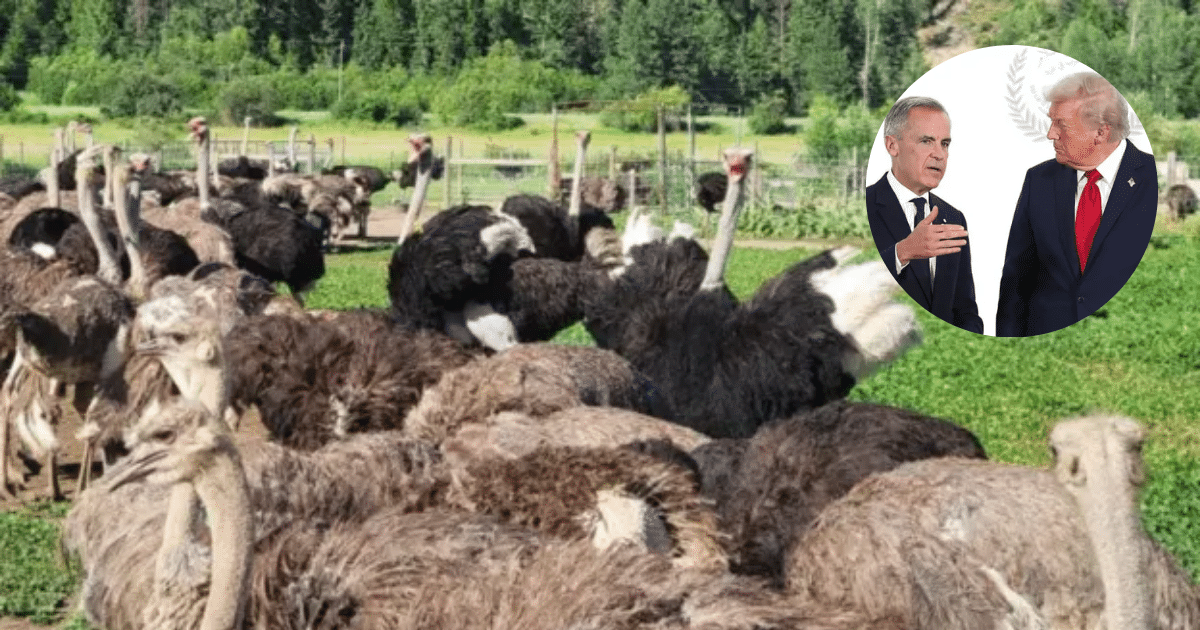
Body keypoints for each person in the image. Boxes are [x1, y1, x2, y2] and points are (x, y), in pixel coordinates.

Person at [996, 72, 1156, 337]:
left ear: (1101, 133)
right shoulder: (1039, 180)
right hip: (1046, 344)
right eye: (1052, 122)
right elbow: (1016, 278)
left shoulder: (1152, 181)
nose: (1051, 134)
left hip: (1127, 343)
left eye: (1062, 125)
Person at [866, 96, 983, 333]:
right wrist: (904, 251)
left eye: (945, 144)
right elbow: (849, 289)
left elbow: (965, 309)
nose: (939, 154)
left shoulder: (953, 218)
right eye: (926, 141)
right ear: (892, 146)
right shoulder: (866, 205)